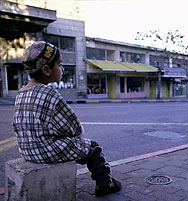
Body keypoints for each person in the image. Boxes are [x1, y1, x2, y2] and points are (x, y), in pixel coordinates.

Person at [12, 41, 121, 197]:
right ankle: (105, 183)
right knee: (91, 148)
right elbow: (74, 128)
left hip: (27, 151)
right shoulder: (49, 93)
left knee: (74, 146)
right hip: (45, 151)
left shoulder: (21, 93)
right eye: (59, 64)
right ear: (47, 70)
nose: (62, 69)